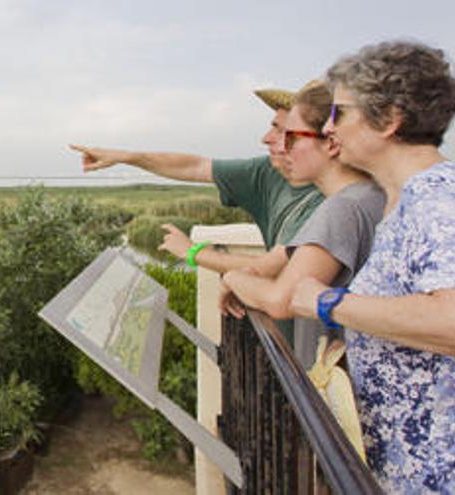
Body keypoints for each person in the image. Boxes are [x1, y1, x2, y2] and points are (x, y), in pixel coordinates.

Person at [289, 41, 455, 492]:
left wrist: (329, 302)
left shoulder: (435, 199)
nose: (328, 127)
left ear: (390, 118)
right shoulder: (402, 202)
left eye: (340, 113)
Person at [218, 81, 385, 367]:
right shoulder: (373, 195)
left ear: (331, 143)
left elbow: (282, 300)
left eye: (291, 137)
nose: (281, 147)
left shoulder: (342, 208)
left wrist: (233, 278)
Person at [70, 87, 324, 257]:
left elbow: (280, 271)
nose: (265, 139)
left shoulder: (329, 200)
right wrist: (124, 157)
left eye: (282, 130)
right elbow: (195, 166)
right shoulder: (267, 172)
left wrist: (194, 253)